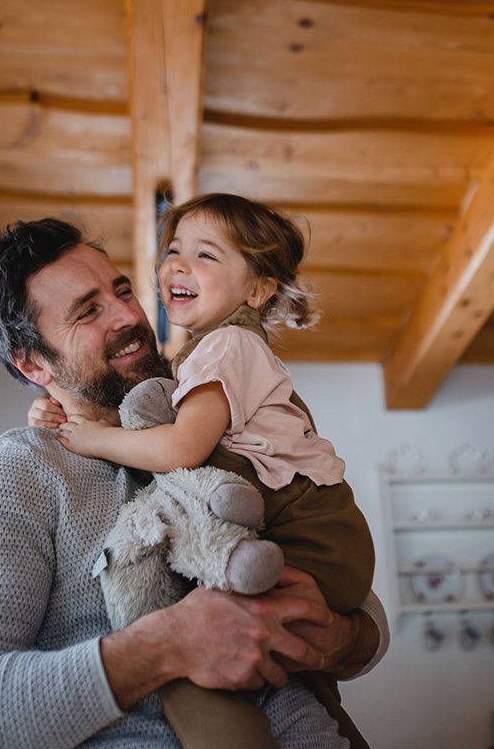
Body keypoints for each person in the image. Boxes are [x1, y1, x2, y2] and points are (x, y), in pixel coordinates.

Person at [0, 217, 388, 749]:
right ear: (33, 363)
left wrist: (340, 639)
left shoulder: (211, 417)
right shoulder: (16, 477)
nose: (129, 316)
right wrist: (165, 647)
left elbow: (360, 616)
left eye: (122, 291)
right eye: (88, 311)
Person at [48, 193, 374, 616]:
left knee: (209, 640)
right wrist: (57, 412)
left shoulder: (225, 345)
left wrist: (95, 439)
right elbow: (148, 416)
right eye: (174, 251)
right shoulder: (218, 351)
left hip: (309, 537)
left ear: (257, 290)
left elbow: (181, 448)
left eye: (205, 255)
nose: (178, 265)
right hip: (326, 540)